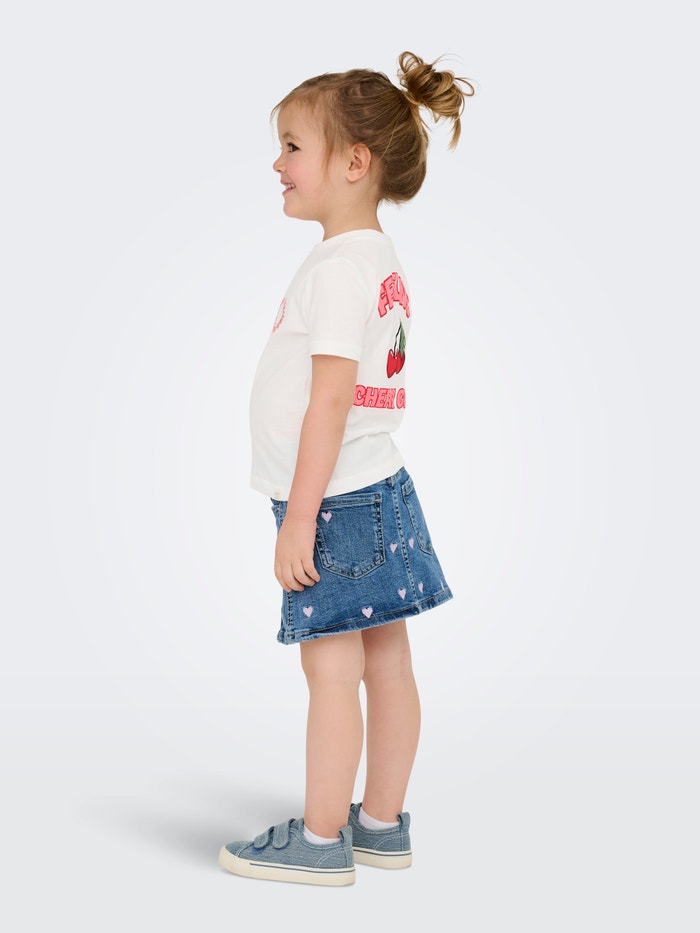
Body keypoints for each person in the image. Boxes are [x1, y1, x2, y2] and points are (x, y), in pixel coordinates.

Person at [219, 51, 475, 886]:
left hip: (332, 502)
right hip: (382, 487)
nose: (277, 163)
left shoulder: (336, 269)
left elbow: (329, 401)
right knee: (387, 660)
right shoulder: (374, 257)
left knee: (330, 670)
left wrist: (299, 516)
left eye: (293, 147)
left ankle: (323, 839)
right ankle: (382, 823)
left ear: (354, 162)